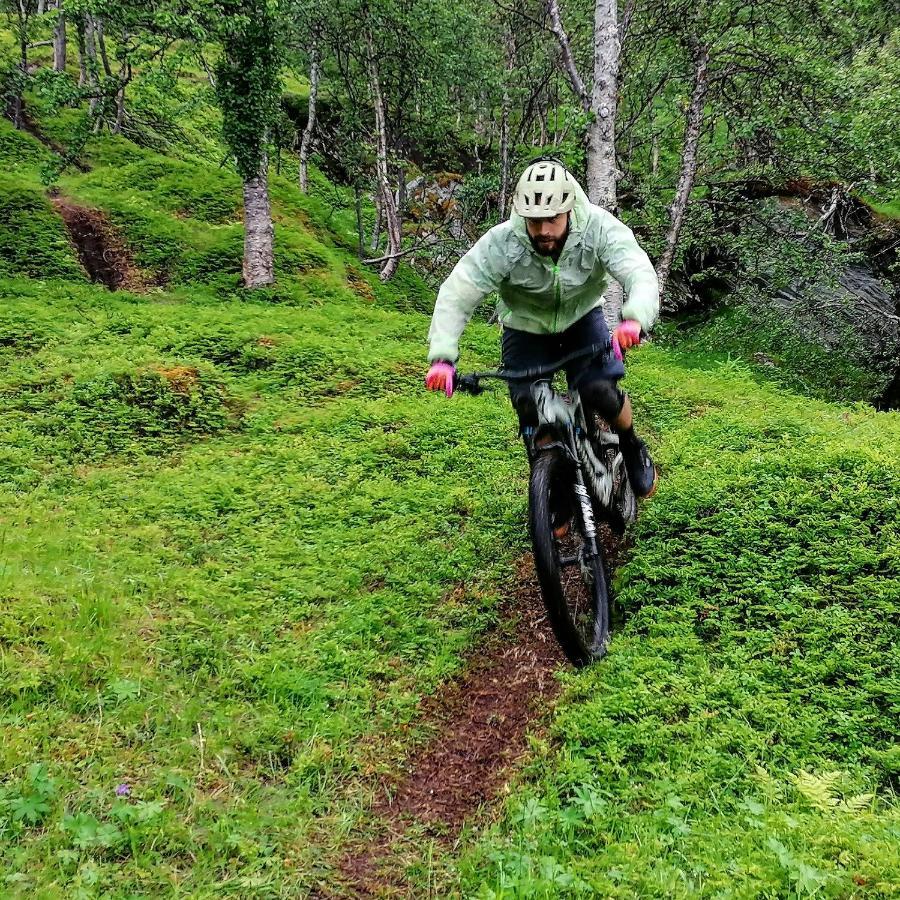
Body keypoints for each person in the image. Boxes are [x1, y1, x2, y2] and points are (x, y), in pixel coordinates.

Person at [424, 157, 658, 499]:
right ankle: (553, 493)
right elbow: (458, 292)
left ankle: (631, 442)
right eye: (535, 221)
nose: (544, 230)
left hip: (581, 318)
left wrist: (635, 317)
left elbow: (637, 269)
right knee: (529, 405)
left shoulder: (597, 227)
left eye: (552, 219)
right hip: (525, 328)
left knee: (599, 389)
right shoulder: (503, 243)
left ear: (569, 208)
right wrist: (443, 357)